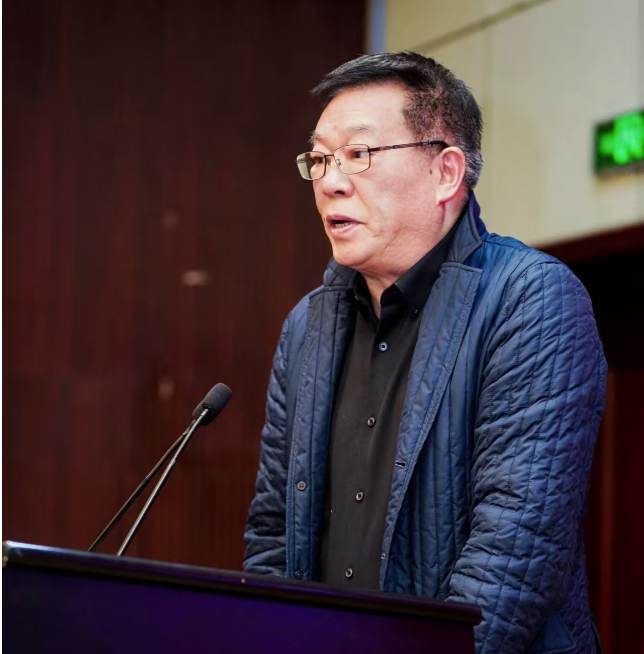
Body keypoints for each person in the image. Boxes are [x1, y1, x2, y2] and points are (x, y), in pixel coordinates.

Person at [243, 52, 606, 654]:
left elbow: (515, 554)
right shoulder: (307, 324)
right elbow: (273, 533)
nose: (331, 181)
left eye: (359, 153)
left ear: (445, 173)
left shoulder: (530, 299)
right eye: (321, 159)